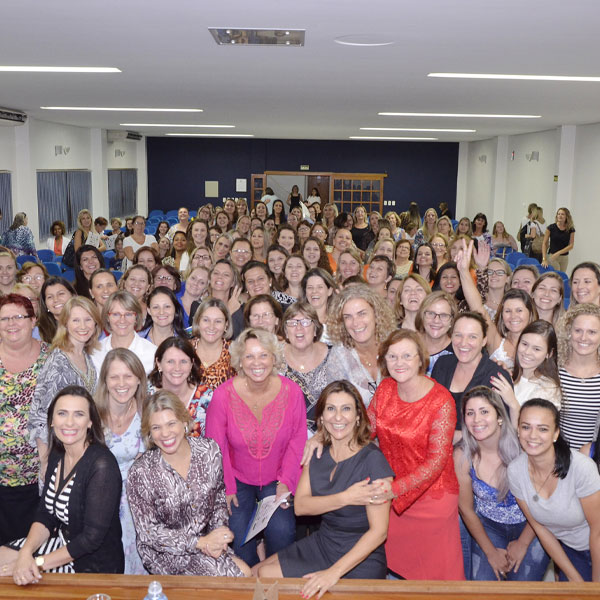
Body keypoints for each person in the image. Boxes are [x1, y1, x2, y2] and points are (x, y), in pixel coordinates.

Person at [256, 381, 394, 594]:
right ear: (321, 417)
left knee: (265, 578)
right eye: (331, 409)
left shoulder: (373, 460)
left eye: (346, 409)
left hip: (360, 555)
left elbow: (379, 532)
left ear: (358, 416)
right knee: (255, 573)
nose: (338, 417)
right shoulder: (317, 452)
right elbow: (301, 507)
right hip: (325, 542)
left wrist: (332, 573)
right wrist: (346, 497)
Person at [1, 386, 124, 583]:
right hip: (61, 544)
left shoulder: (102, 465)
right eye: (62, 413)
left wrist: (35, 563)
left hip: (91, 564)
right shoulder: (58, 454)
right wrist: (25, 553)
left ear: (90, 422)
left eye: (79, 414)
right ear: (52, 420)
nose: (69, 422)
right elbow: (45, 515)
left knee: (14, 577)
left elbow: (90, 539)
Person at [205, 328, 306, 567]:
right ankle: (250, 580)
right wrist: (227, 487)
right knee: (238, 540)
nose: (257, 363)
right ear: (239, 361)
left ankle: (276, 580)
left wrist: (286, 481)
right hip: (236, 480)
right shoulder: (223, 395)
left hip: (277, 477)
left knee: (282, 531)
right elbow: (215, 446)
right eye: (249, 356)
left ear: (274, 358)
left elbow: (297, 440)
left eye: (263, 355)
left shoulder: (292, 392)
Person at [368, 329, 464, 580]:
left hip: (432, 499)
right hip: (391, 493)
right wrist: (325, 439)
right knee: (392, 572)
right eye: (392, 356)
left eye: (407, 356)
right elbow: (364, 431)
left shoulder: (441, 400)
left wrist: (394, 490)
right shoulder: (385, 388)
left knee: (435, 581)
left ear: (421, 359)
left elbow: (436, 462)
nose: (399, 363)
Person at [126, 390, 249, 576]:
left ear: (184, 421)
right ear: (149, 433)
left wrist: (218, 535)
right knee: (241, 575)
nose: (165, 433)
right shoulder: (140, 472)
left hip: (206, 540)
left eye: (171, 423)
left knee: (244, 575)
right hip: (165, 553)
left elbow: (218, 499)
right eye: (156, 427)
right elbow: (148, 533)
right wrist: (200, 543)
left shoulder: (209, 451)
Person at [454, 387, 549, 581]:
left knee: (524, 589)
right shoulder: (462, 455)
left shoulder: (523, 447)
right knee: (483, 588)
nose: (477, 419)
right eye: (470, 413)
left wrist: (523, 543)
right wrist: (490, 552)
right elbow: (466, 510)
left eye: (484, 411)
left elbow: (543, 501)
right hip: (489, 527)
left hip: (531, 526)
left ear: (499, 416)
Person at [508, 399, 600, 581]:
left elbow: (597, 530)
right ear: (518, 430)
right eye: (526, 427)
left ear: (555, 433)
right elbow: (539, 528)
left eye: (542, 429)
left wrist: (595, 586)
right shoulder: (515, 471)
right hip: (568, 549)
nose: (532, 435)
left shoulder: (581, 467)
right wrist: (575, 579)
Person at [29, 297, 102, 476]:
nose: (83, 326)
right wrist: (45, 460)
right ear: (65, 324)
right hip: (59, 453)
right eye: (76, 320)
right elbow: (39, 415)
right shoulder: (58, 361)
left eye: (88, 319)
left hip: (80, 449)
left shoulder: (86, 356)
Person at [0, 295, 50, 545]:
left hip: (41, 480)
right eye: (4, 318)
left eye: (18, 317)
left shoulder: (53, 357)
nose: (11, 323)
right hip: (1, 483)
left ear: (33, 321)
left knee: (34, 552)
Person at [95, 348, 147, 574]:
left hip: (134, 492)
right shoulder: (92, 413)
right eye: (114, 377)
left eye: (128, 376)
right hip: (98, 492)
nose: (122, 383)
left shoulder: (147, 411)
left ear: (139, 379)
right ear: (105, 381)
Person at [432, 311, 512, 437]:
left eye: (472, 337)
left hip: (476, 448)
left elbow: (503, 431)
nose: (463, 343)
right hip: (437, 445)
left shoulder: (496, 376)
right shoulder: (442, 364)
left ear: (484, 341)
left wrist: (449, 437)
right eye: (458, 335)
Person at [325, 285, 395, 407]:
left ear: (376, 314)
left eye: (362, 314)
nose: (356, 323)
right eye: (348, 317)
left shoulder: (394, 344)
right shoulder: (339, 356)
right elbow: (337, 406)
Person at [491, 320, 561, 426]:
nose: (527, 352)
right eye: (524, 344)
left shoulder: (549, 389)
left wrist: (512, 402)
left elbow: (530, 431)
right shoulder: (508, 373)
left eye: (536, 349)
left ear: (549, 353)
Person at [282, 302, 332, 433]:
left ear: (315, 329)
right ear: (286, 331)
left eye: (305, 322)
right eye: (292, 323)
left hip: (329, 434)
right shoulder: (273, 358)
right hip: (285, 436)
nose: (299, 328)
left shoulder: (334, 357)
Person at [557, 303, 600, 449]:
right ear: (569, 332)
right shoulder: (555, 371)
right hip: (558, 456)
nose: (583, 337)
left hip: (594, 458)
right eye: (578, 330)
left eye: (592, 332)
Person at [148, 337, 210, 436]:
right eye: (170, 361)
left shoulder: (208, 398)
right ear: (159, 363)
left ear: (191, 364)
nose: (177, 368)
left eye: (183, 361)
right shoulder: (145, 395)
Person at [91, 291, 157, 375]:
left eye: (128, 314)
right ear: (107, 317)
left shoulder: (152, 353)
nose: (122, 320)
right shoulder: (95, 352)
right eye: (116, 314)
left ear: (136, 317)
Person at [190, 298, 236, 412]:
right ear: (198, 322)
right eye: (206, 320)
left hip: (226, 417)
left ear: (226, 325)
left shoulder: (237, 352)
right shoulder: (184, 350)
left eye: (218, 321)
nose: (211, 326)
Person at [416, 290, 456, 375]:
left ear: (451, 321)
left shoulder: (458, 351)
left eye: (444, 315)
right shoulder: (409, 343)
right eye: (431, 313)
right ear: (422, 316)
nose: (436, 320)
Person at [38, 277, 76, 344]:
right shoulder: (38, 332)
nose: (56, 300)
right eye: (50, 297)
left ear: (73, 295)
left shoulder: (87, 322)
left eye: (61, 294)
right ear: (45, 303)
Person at [541, 207, 575, 272]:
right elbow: (544, 244)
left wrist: (558, 253)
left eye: (562, 214)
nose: (560, 216)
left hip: (564, 258)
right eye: (558, 214)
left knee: (562, 276)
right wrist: (544, 259)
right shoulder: (551, 228)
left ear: (566, 216)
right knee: (557, 275)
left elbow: (571, 245)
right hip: (553, 256)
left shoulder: (570, 229)